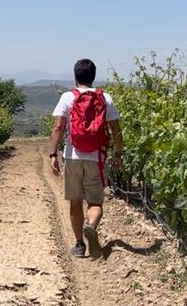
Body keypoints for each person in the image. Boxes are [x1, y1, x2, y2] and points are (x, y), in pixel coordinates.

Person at [49, 58, 123, 258]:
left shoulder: (67, 97)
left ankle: (80, 244)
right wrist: (117, 153)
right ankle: (91, 225)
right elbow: (115, 129)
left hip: (72, 156)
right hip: (96, 158)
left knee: (75, 201)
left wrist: (53, 153)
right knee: (95, 203)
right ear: (93, 77)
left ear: (75, 77)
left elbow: (58, 127)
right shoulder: (105, 98)